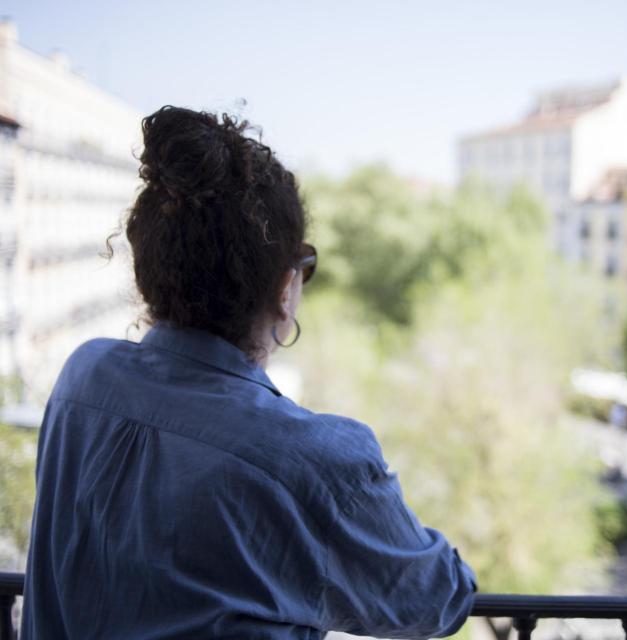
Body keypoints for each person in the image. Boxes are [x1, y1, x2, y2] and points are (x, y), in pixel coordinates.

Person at [22, 106, 477, 639]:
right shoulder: (318, 462)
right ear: (285, 289)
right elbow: (438, 600)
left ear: (149, 273)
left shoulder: (83, 380)